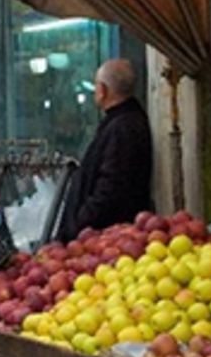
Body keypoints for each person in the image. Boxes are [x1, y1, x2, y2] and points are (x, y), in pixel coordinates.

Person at [58, 58, 154, 240]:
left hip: (106, 236)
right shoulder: (125, 121)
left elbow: (110, 188)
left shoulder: (122, 127)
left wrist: (80, 224)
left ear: (102, 90)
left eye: (96, 86)